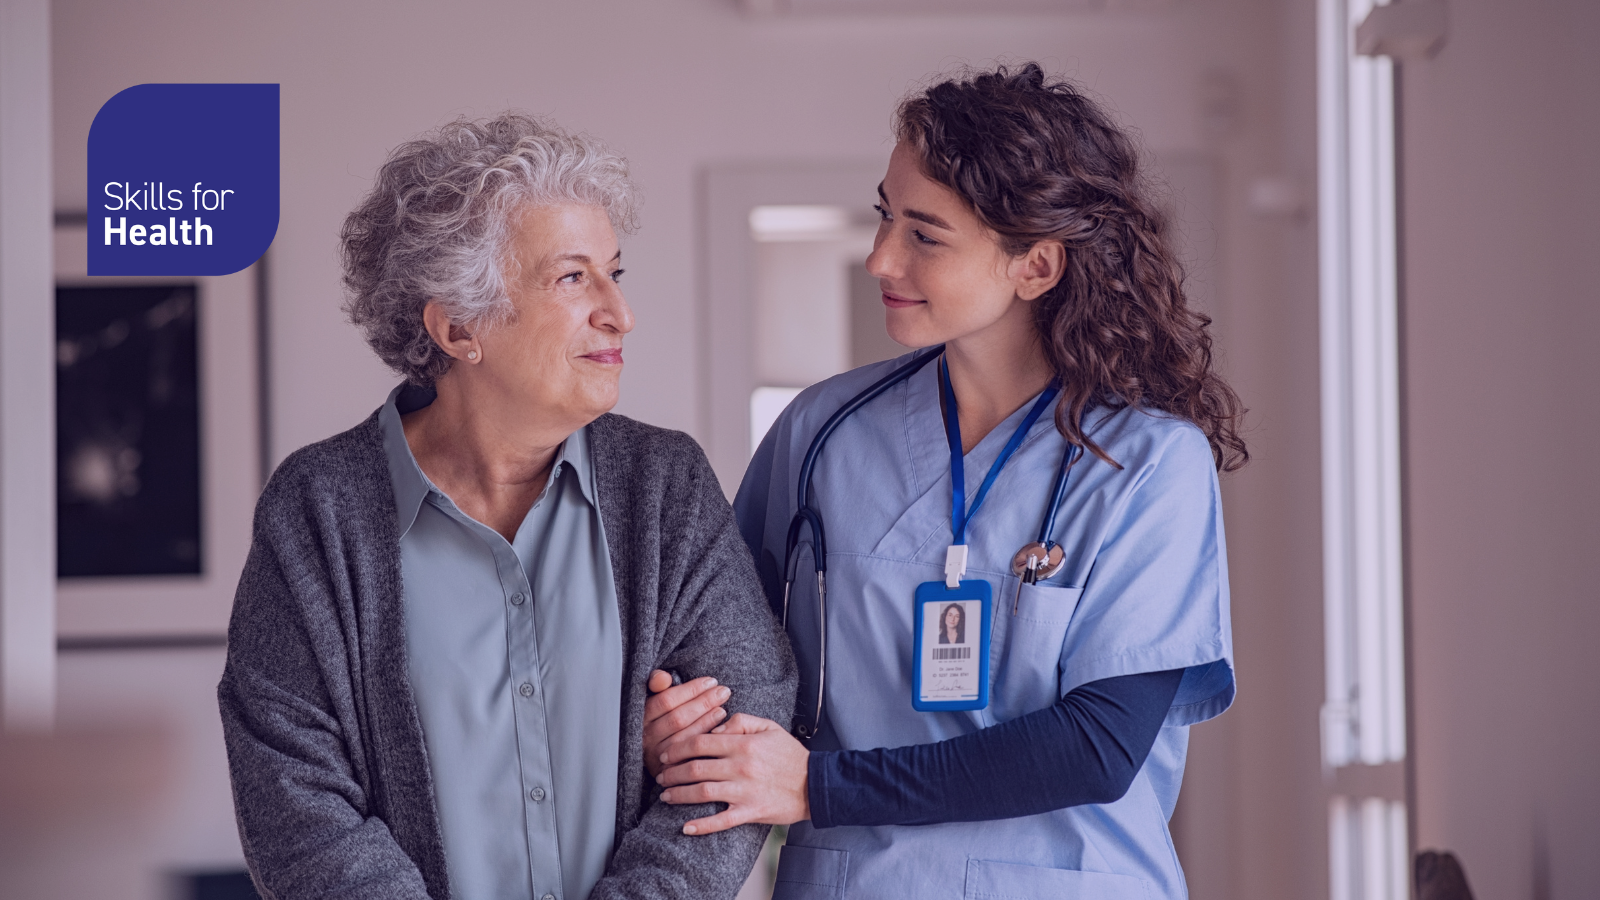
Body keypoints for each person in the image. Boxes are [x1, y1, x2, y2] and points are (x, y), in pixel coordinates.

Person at [640, 64, 1245, 899]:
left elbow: (1099, 746)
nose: (879, 256)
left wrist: (819, 788)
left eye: (925, 235)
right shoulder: (821, 434)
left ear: (1035, 265)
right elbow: (717, 649)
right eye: (886, 216)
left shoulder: (1147, 464)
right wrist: (674, 721)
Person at [217, 114, 796, 900]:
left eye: (613, 274)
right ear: (458, 326)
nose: (619, 314)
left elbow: (744, 734)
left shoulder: (667, 486)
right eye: (571, 278)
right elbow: (298, 810)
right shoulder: (316, 512)